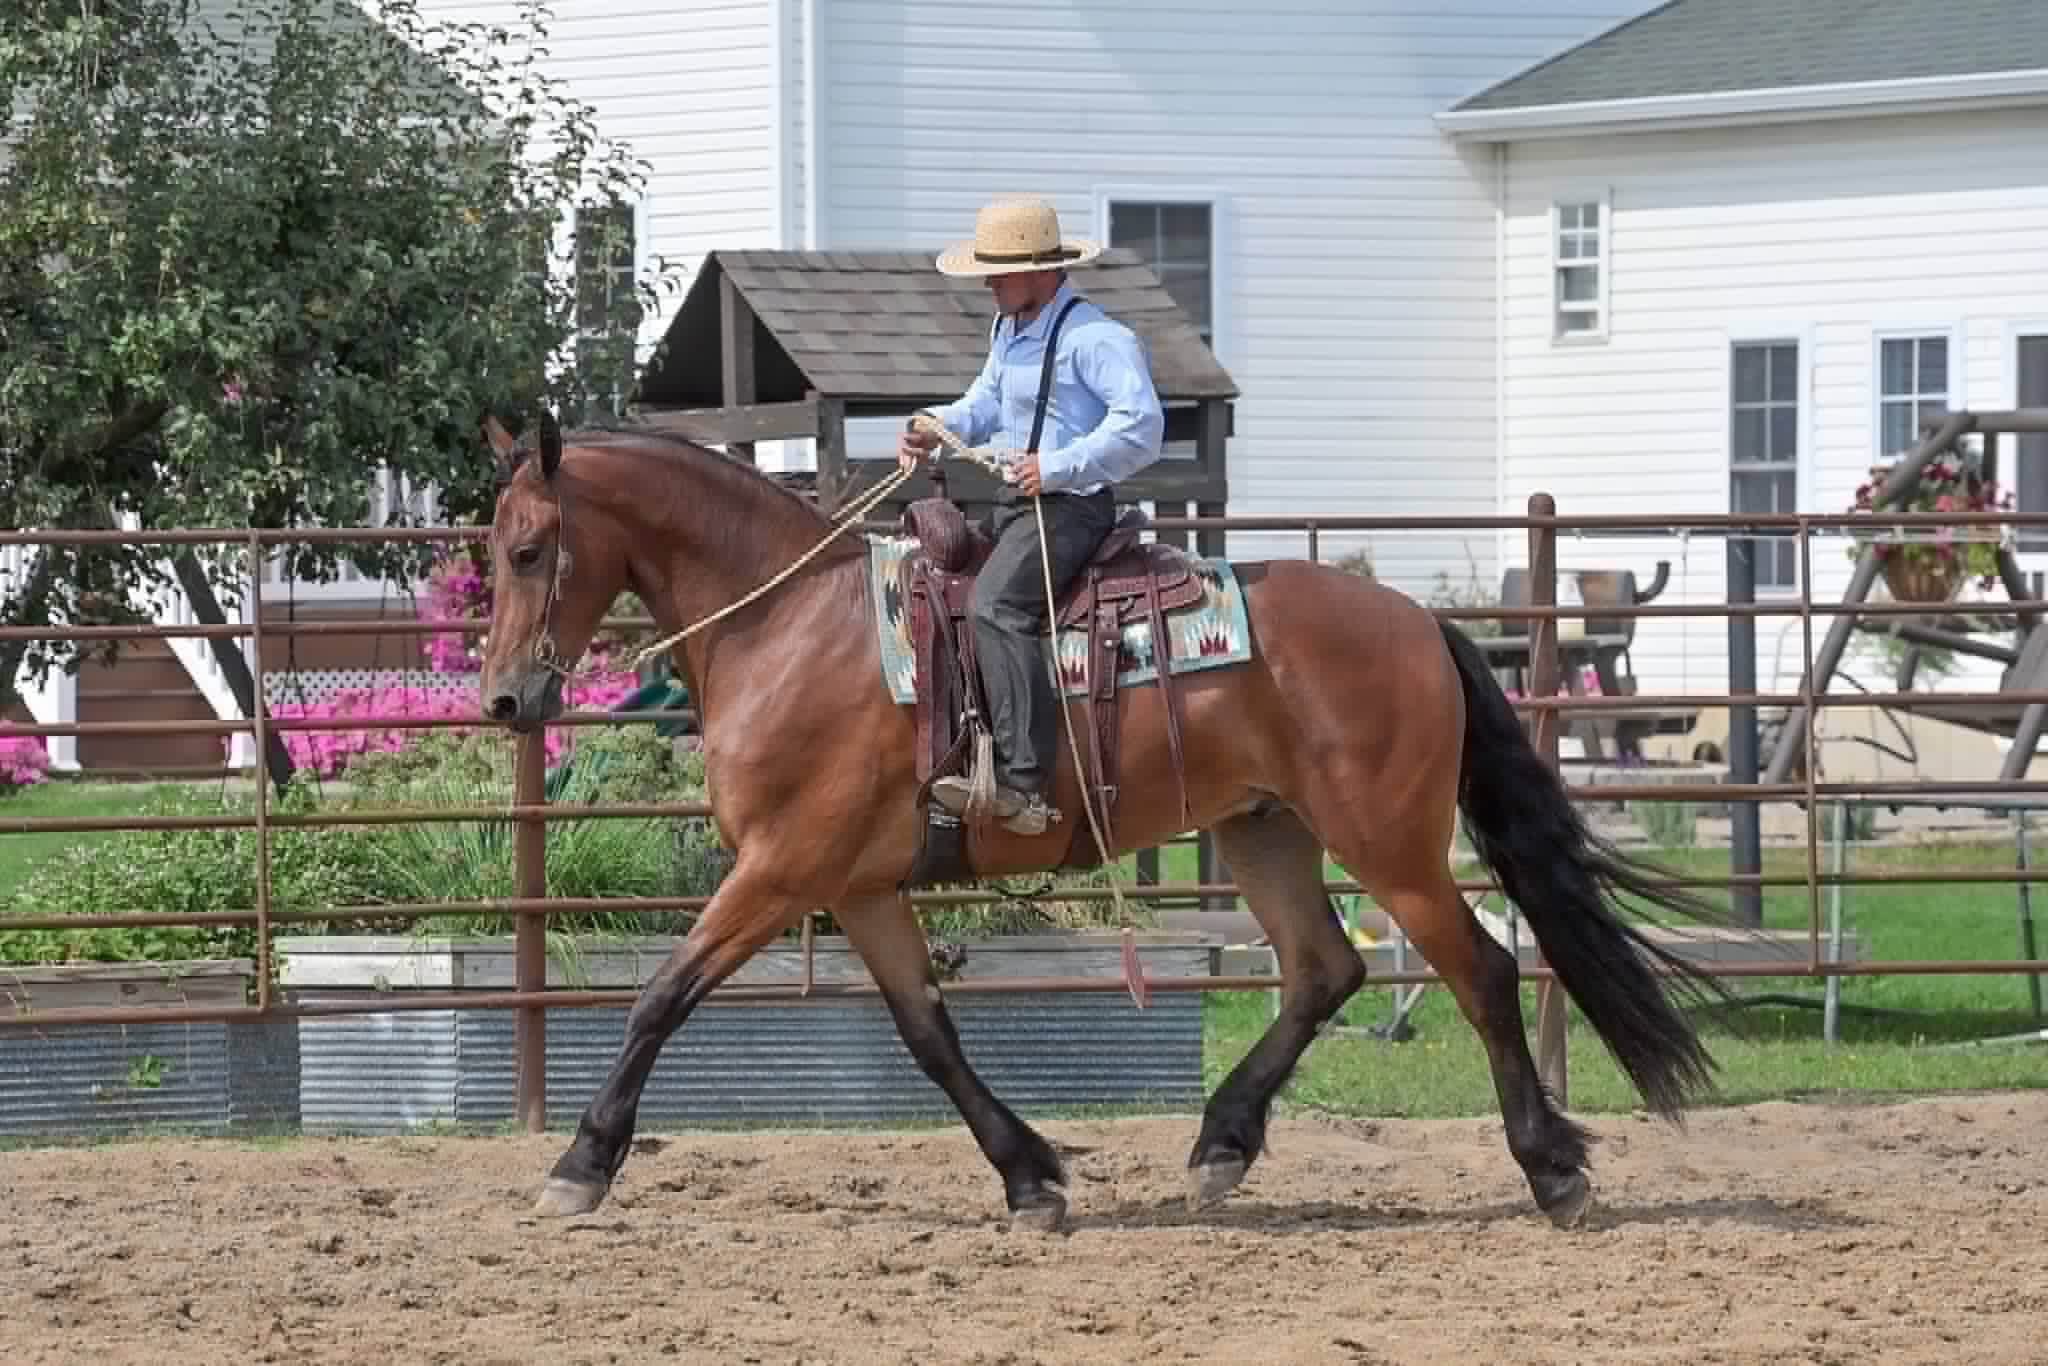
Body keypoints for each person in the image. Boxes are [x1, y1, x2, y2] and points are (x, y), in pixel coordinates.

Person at [898, 194, 1167, 836]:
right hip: (1021, 505)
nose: (989, 281)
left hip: (1070, 509)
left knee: (995, 605)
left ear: (1042, 270)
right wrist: (939, 424)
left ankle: (1024, 783)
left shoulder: (1096, 339)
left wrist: (1059, 467)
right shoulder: (1010, 328)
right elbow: (986, 403)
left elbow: (1143, 425)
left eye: (1000, 269)